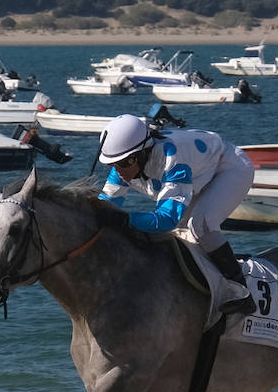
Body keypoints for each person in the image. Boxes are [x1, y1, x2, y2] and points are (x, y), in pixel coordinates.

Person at [96, 114, 257, 314]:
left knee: (200, 226)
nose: (117, 171)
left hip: (229, 168)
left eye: (123, 163)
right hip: (198, 173)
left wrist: (126, 219)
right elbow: (104, 207)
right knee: (182, 234)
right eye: (113, 164)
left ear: (140, 154)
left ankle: (241, 292)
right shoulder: (123, 166)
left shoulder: (171, 157)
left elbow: (166, 219)